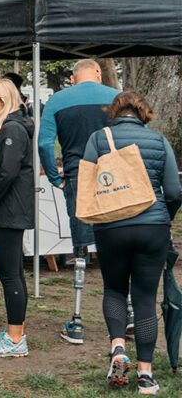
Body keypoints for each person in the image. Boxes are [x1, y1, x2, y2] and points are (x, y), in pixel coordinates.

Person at [82, 91, 180, 394]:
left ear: (114, 111)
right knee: (146, 297)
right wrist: (165, 217)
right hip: (153, 229)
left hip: (111, 227)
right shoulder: (160, 141)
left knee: (114, 288)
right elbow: (175, 191)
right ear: (144, 113)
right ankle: (146, 375)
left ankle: (119, 348)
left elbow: (85, 185)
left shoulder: (98, 138)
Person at [38, 58, 118, 343]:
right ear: (98, 74)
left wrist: (53, 176)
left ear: (73, 78)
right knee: (118, 243)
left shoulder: (58, 100)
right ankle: (129, 312)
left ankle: (77, 320)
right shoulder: (116, 97)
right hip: (115, 177)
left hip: (77, 175)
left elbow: (45, 143)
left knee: (81, 248)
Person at [0, 78, 34, 359]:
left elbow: (7, 172)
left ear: (4, 98)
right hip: (11, 209)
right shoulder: (9, 125)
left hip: (9, 210)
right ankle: (16, 331)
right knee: (14, 274)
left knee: (10, 275)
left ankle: (14, 340)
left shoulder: (12, 128)